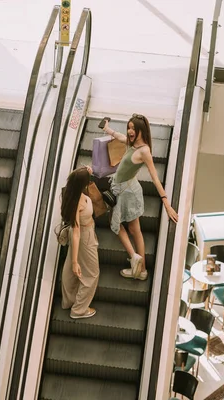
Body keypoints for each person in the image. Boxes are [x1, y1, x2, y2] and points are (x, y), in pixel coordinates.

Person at [101, 114, 178, 280]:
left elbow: (155, 177)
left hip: (127, 193)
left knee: (116, 225)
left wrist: (166, 202)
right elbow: (121, 138)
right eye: (129, 127)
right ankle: (142, 271)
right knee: (135, 230)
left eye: (133, 129)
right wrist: (108, 129)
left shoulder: (144, 151)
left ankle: (134, 257)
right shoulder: (132, 143)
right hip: (127, 189)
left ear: (142, 131)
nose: (129, 131)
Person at [60, 166, 100, 319]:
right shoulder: (77, 202)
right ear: (83, 184)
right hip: (84, 237)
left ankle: (68, 300)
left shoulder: (70, 191)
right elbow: (76, 233)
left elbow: (79, 173)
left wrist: (86, 171)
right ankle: (79, 310)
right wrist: (76, 261)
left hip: (81, 233)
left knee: (70, 270)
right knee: (91, 274)